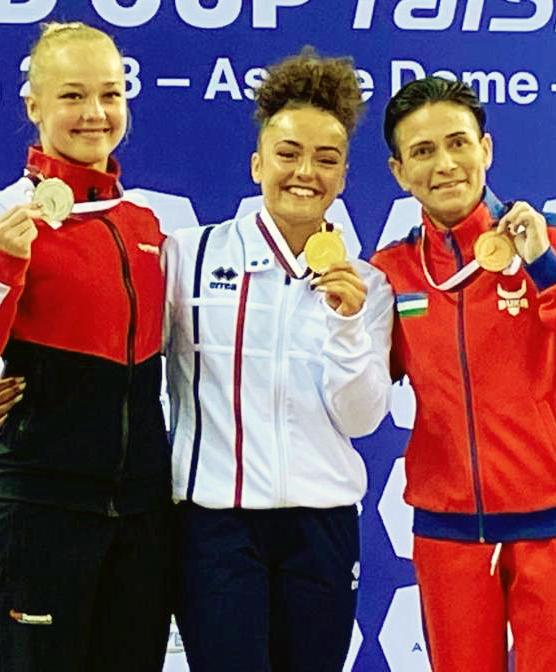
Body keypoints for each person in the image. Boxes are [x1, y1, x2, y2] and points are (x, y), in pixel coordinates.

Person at [370, 76, 556, 672]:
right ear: (398, 171)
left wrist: (542, 266)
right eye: (423, 151)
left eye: (458, 143)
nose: (445, 164)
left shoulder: (555, 239)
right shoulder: (393, 271)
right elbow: (356, 388)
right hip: (449, 528)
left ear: (486, 150)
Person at [0, 22, 172, 672]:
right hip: (43, 510)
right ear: (34, 106)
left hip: (142, 513)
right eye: (72, 95)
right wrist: (5, 269)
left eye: (110, 93)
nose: (94, 113)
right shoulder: (2, 215)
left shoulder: (145, 225)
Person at [164, 48, 393, 671]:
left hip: (323, 529)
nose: (305, 172)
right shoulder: (188, 255)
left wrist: (346, 325)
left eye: (327, 158)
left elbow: (364, 419)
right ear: (257, 162)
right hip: (216, 529)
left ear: (344, 174)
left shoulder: (368, 285)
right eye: (288, 153)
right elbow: (117, 350)